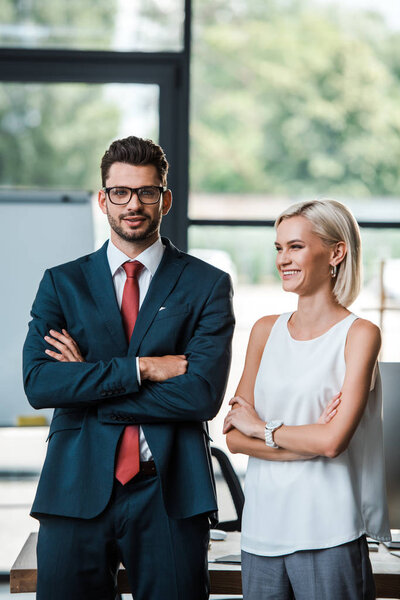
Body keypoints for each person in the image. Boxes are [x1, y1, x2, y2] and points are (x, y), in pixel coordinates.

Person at [23, 135, 235, 600]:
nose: (132, 204)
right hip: (74, 485)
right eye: (120, 192)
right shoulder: (63, 283)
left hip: (169, 492)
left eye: (146, 191)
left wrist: (87, 382)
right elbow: (40, 384)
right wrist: (143, 369)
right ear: (104, 199)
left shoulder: (206, 284)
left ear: (165, 198)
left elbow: (200, 395)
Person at [223, 199, 390, 600]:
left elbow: (332, 442)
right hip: (261, 532)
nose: (283, 259)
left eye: (295, 246)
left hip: (327, 530)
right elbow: (232, 437)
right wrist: (305, 443)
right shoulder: (265, 331)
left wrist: (262, 429)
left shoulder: (359, 334)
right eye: (279, 248)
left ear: (336, 252)